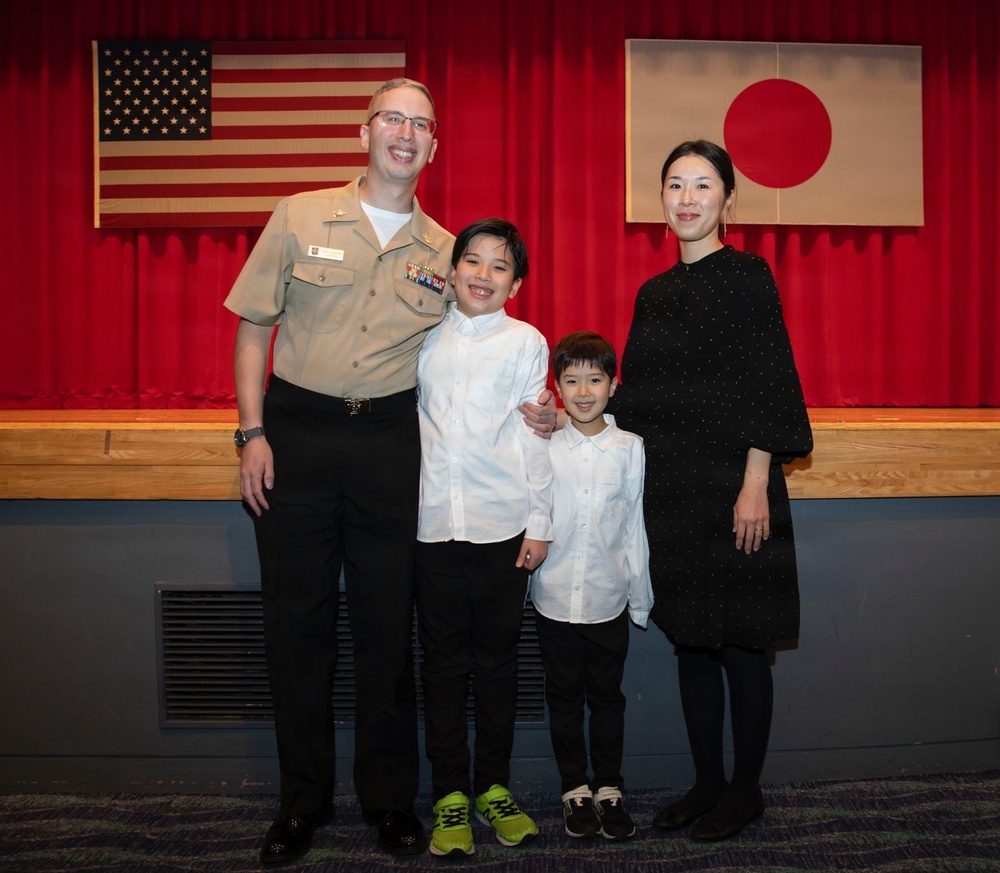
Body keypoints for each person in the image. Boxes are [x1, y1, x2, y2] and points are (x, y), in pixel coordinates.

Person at [224, 81, 552, 865]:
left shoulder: (447, 249)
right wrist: (251, 433)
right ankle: (300, 802)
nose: (405, 134)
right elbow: (251, 330)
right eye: (393, 119)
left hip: (387, 446)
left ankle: (388, 801)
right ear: (365, 131)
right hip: (296, 435)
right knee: (296, 627)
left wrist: (545, 407)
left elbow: (486, 343)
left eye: (422, 125)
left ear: (434, 147)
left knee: (385, 629)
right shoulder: (299, 215)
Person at [613, 140, 813, 842]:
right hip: (672, 492)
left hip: (737, 489)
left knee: (741, 643)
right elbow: (636, 397)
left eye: (703, 185)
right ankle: (705, 782)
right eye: (675, 185)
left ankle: (746, 790)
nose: (688, 198)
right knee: (692, 643)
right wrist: (573, 412)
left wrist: (756, 481)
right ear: (661, 199)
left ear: (729, 200)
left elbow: (770, 379)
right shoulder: (654, 293)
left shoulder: (750, 275)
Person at [414, 218, 551, 858]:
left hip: (503, 529)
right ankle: (448, 795)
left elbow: (534, 436)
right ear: (452, 269)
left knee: (497, 667)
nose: (482, 274)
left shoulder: (526, 343)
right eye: (471, 260)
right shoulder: (422, 335)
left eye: (499, 266)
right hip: (433, 527)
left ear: (516, 284)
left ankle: (493, 786)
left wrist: (541, 524)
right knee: (442, 666)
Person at [529, 331, 653, 842]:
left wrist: (639, 599)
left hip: (607, 599)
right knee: (561, 699)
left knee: (606, 699)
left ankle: (609, 788)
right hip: (554, 599)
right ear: (556, 386)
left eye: (595, 379)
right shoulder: (543, 445)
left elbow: (633, 526)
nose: (583, 391)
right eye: (572, 379)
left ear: (613, 384)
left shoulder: (629, 448)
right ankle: (573, 790)